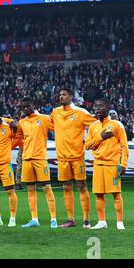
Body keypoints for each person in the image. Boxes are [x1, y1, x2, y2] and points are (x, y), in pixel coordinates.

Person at [50, 88, 96, 228]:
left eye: (64, 94)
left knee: (81, 186)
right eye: (60, 95)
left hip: (77, 156)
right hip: (62, 157)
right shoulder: (55, 112)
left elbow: (96, 125)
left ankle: (86, 220)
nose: (61, 97)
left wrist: (90, 141)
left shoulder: (81, 113)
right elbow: (49, 124)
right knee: (66, 187)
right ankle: (70, 220)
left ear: (71, 96)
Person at [85, 98, 129, 230]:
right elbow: (87, 145)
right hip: (98, 165)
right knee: (98, 194)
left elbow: (124, 146)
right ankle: (102, 221)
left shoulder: (117, 125)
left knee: (116, 194)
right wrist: (101, 137)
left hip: (112, 165)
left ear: (108, 108)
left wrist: (123, 164)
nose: (97, 109)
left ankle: (119, 222)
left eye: (100, 107)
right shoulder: (93, 126)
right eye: (96, 107)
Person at [13, 97, 57, 228]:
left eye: (27, 106)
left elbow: (57, 129)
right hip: (26, 159)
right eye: (23, 107)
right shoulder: (22, 122)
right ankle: (34, 219)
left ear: (33, 105)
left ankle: (53, 219)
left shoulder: (43, 119)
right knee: (30, 189)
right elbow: (18, 138)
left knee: (47, 188)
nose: (25, 109)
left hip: (40, 159)